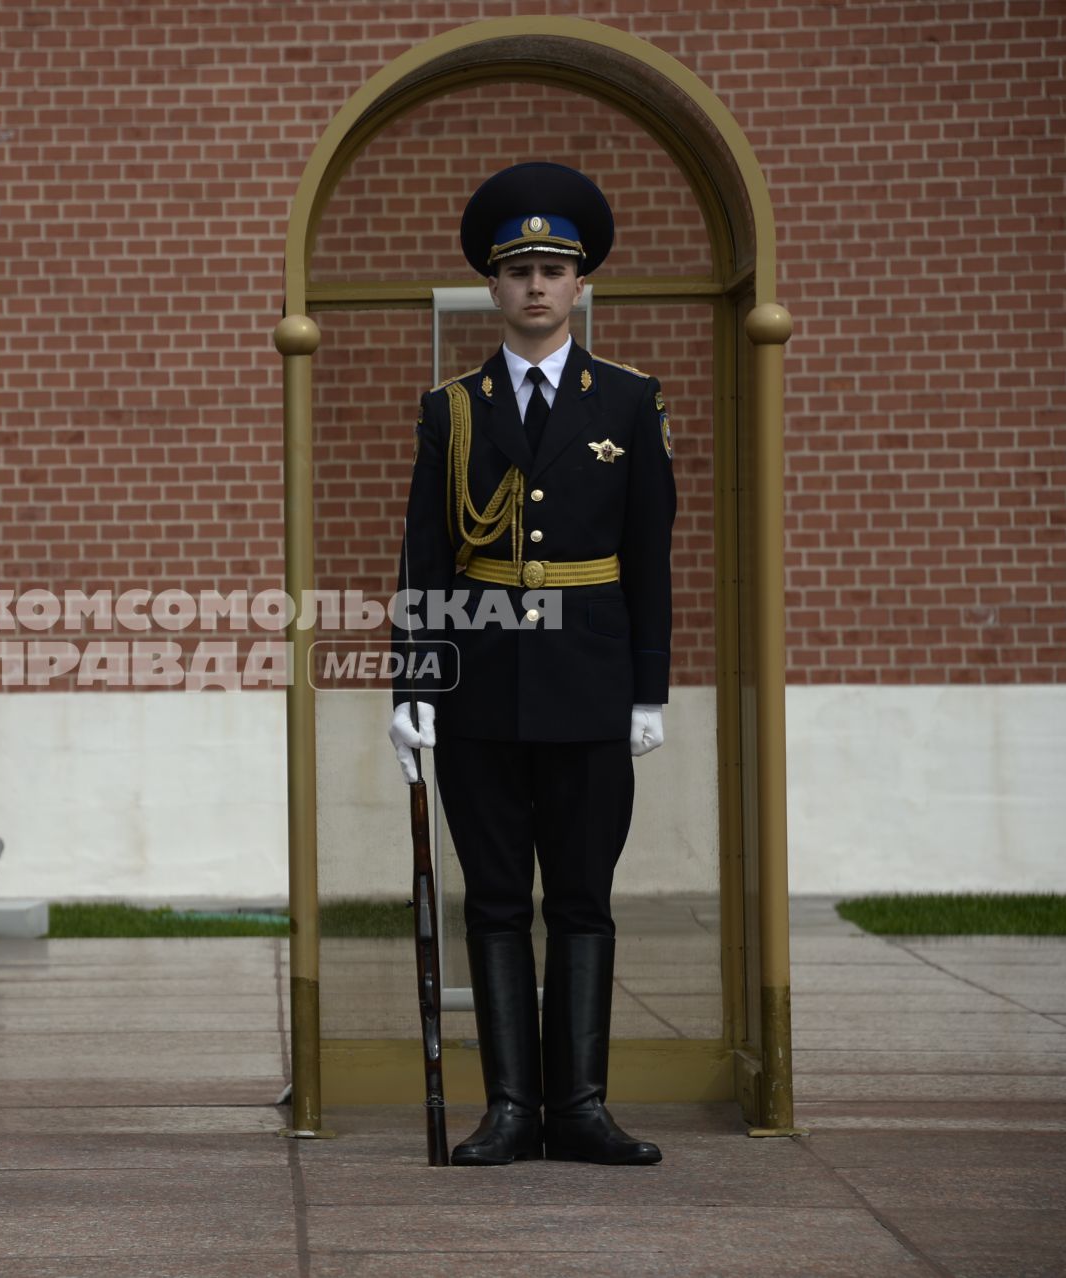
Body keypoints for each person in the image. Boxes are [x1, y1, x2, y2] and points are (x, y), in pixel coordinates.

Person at [389, 163, 675, 1166]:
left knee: (585, 899)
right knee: (500, 900)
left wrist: (649, 689)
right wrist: (413, 686)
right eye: (520, 271)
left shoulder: (630, 405)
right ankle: (512, 1108)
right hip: (480, 690)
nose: (538, 286)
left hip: (593, 687)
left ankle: (582, 1108)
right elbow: (425, 556)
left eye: (556, 268)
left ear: (582, 283)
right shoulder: (451, 410)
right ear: (494, 289)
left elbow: (651, 557)